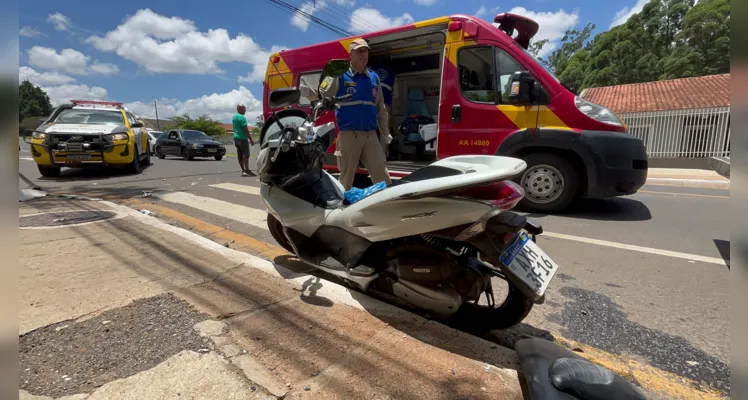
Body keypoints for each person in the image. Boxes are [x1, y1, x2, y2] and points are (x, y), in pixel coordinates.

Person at [311, 38, 392, 191]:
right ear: (351, 54)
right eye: (359, 51)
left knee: (382, 174)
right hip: (349, 136)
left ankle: (386, 208)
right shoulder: (340, 74)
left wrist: (385, 132)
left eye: (366, 51)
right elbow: (324, 96)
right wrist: (312, 94)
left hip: (370, 136)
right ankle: (341, 211)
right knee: (346, 178)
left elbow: (381, 108)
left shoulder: (374, 78)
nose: (364, 54)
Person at [232, 104, 255, 176]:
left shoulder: (234, 117)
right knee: (246, 155)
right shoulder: (242, 118)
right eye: (244, 109)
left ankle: (243, 170)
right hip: (242, 138)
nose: (245, 110)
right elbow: (245, 129)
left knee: (240, 155)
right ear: (239, 109)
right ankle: (247, 170)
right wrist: (251, 139)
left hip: (236, 138)